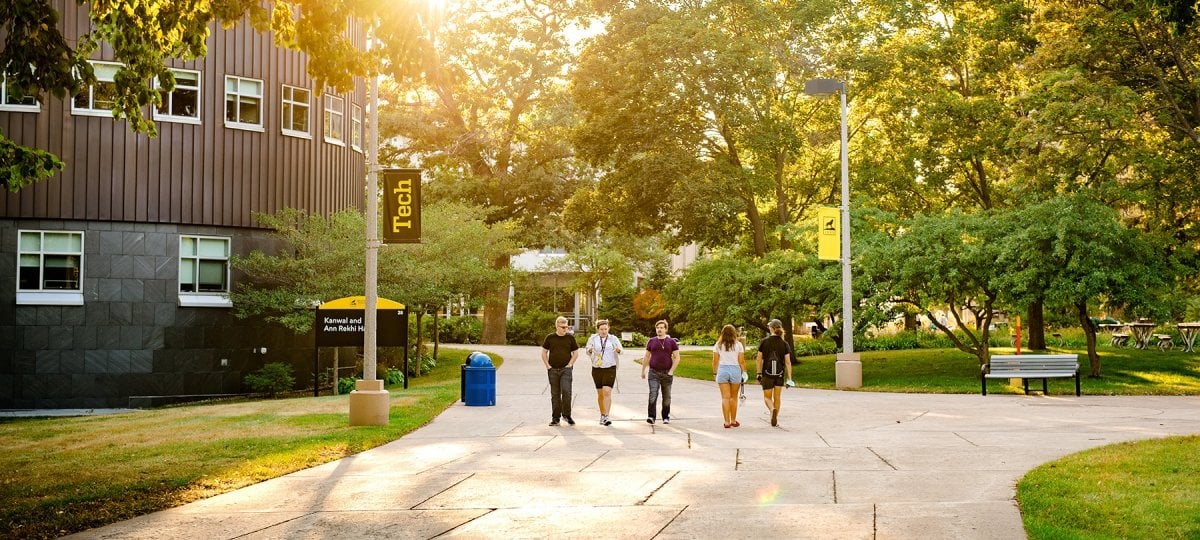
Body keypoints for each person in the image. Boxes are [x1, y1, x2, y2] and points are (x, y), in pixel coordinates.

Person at [541, 316, 580, 426]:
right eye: (563, 327)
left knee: (566, 392)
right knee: (555, 394)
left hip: (566, 369)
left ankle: (567, 415)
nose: (565, 329)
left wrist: (570, 364)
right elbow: (544, 352)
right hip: (553, 369)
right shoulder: (550, 338)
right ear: (557, 326)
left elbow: (576, 353)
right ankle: (555, 418)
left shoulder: (570, 338)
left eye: (566, 327)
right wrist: (548, 366)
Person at [641, 319, 679, 424]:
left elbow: (677, 357)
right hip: (653, 372)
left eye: (661, 328)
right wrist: (643, 370)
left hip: (667, 373)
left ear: (665, 329)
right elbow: (647, 356)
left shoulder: (671, 342)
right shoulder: (652, 341)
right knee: (653, 394)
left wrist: (671, 371)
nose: (659, 329)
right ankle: (651, 416)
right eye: (658, 328)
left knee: (666, 396)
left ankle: (666, 416)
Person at [755, 319, 793, 427]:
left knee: (767, 397)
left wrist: (758, 373)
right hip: (779, 374)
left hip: (767, 374)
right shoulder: (784, 343)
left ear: (771, 328)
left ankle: (772, 410)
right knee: (777, 397)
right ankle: (775, 417)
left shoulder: (764, 341)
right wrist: (789, 379)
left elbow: (758, 359)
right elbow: (788, 362)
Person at [586, 319, 623, 426]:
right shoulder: (593, 338)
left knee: (607, 391)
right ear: (598, 329)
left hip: (610, 367)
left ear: (608, 329)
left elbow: (622, 351)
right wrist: (590, 350)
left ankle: (607, 416)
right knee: (600, 393)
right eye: (601, 329)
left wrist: (618, 350)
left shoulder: (613, 338)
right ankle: (602, 415)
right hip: (597, 368)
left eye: (605, 329)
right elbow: (587, 350)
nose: (603, 331)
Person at [712, 324, 746, 428]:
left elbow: (715, 360)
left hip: (722, 370)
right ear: (734, 333)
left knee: (725, 398)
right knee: (733, 397)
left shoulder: (718, 344)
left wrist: (715, 373)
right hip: (735, 369)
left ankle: (726, 422)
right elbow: (741, 361)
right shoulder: (738, 345)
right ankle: (733, 420)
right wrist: (744, 372)